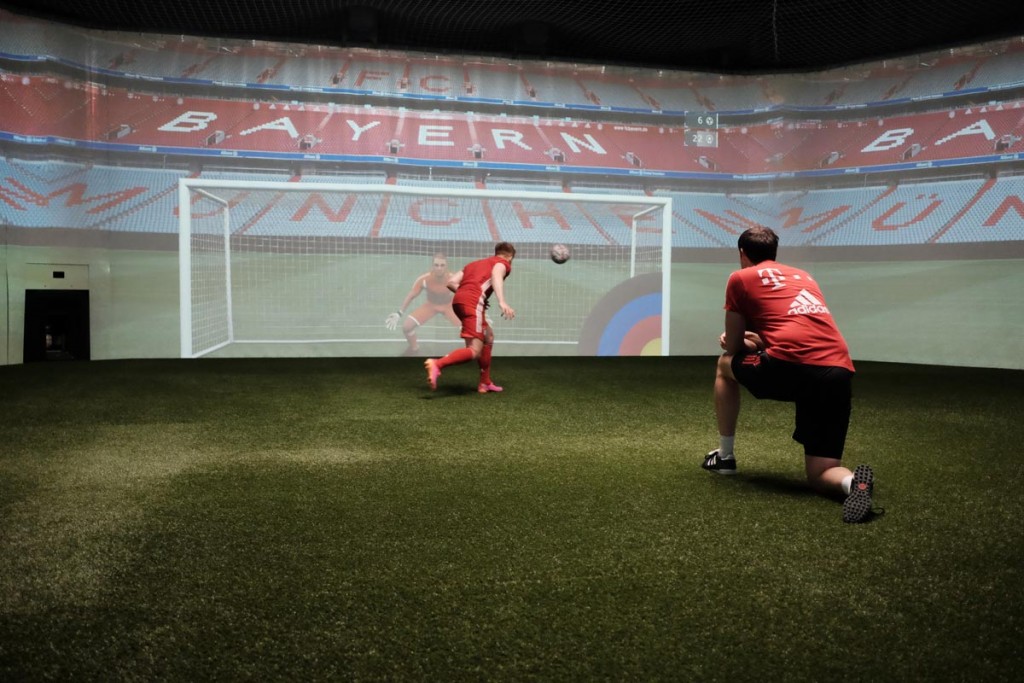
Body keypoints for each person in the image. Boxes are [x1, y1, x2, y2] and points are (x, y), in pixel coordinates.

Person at [705, 225, 874, 523]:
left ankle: (725, 457)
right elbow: (795, 331)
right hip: (838, 370)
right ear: (774, 252)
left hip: (790, 366)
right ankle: (852, 485)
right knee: (821, 473)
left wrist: (741, 341)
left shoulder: (740, 278)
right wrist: (759, 340)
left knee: (723, 365)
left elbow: (733, 346)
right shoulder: (805, 277)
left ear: (742, 254)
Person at [424, 242, 516, 393]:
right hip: (472, 302)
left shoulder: (473, 264)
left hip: (459, 301)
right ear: (510, 257)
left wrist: (469, 294)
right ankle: (437, 364)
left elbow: (451, 282)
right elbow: (496, 275)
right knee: (474, 350)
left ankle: (485, 382)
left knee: (488, 336)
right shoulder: (502, 263)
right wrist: (502, 301)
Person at [385, 253, 460, 356]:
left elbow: (467, 296)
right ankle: (414, 348)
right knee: (406, 327)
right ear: (432, 266)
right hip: (431, 306)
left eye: (442, 265)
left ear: (446, 266)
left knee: (471, 328)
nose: (439, 268)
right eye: (436, 265)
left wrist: (478, 313)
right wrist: (399, 312)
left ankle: (470, 353)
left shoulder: (453, 279)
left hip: (448, 306)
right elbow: (411, 295)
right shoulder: (424, 279)